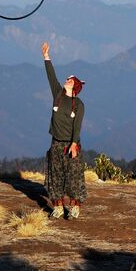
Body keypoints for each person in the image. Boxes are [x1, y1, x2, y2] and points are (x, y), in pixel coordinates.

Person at [41, 42, 87, 219]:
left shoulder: (79, 105)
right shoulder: (58, 95)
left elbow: (78, 126)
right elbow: (51, 77)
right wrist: (46, 57)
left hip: (71, 145)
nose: (67, 80)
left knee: (73, 176)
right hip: (56, 143)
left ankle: (74, 206)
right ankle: (58, 206)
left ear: (74, 86)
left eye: (70, 80)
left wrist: (74, 144)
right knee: (56, 175)